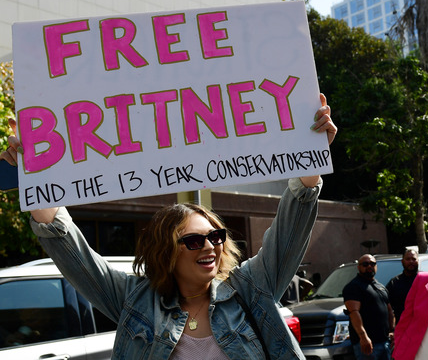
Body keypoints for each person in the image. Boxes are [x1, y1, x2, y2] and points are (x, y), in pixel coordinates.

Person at [0, 94, 337, 359]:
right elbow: (68, 246)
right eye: (192, 241)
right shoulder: (135, 299)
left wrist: (310, 151)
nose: (209, 247)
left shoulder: (251, 288)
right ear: (165, 253)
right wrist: (36, 167)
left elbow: (290, 229)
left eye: (215, 237)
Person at [343, 254, 394, 360]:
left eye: (372, 263)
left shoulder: (381, 287)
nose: (369, 266)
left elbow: (389, 310)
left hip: (385, 342)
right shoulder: (353, 287)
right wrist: (363, 337)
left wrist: (392, 331)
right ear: (359, 267)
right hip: (367, 345)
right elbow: (354, 313)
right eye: (365, 264)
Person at [386, 248, 419, 322]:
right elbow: (387, 308)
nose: (411, 262)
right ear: (402, 261)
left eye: (414, 259)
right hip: (403, 327)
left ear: (418, 261)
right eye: (408, 259)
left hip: (424, 327)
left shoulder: (426, 281)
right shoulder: (394, 283)